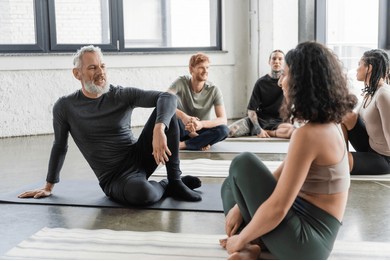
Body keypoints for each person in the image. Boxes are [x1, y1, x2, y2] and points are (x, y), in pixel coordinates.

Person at [219, 41, 357, 260]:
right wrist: (239, 205)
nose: (281, 82)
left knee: (242, 163)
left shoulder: (308, 135)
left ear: (302, 83)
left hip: (307, 243)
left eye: (286, 75)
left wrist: (241, 238)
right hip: (303, 230)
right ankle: (258, 242)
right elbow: (280, 174)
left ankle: (252, 244)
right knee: (230, 185)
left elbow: (278, 207)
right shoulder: (329, 124)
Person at [18, 45, 202, 205]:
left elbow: (168, 96)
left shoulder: (119, 94)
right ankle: (165, 185)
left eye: (102, 66)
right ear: (77, 74)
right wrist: (49, 186)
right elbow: (59, 146)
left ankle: (175, 181)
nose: (100, 72)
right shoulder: (65, 107)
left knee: (166, 113)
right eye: (92, 67)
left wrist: (159, 127)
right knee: (143, 194)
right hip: (115, 177)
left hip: (140, 156)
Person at [341, 49, 390, 175]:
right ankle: (340, 153)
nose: (357, 69)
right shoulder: (371, 91)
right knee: (346, 115)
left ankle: (341, 160)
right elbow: (352, 118)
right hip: (369, 146)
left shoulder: (383, 94)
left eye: (359, 64)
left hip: (384, 159)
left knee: (333, 163)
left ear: (369, 68)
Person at [167, 53, 229, 151]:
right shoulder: (181, 82)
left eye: (207, 68)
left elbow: (223, 119)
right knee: (171, 117)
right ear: (191, 69)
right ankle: (199, 142)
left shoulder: (214, 90)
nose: (205, 71)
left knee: (224, 130)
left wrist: (201, 124)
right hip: (182, 128)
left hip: (200, 130)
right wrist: (184, 117)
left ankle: (183, 145)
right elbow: (164, 100)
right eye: (201, 68)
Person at [228, 50, 295, 138]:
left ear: (284, 63)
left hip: (278, 121)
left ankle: (269, 132)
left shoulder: (289, 83)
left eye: (280, 59)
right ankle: (257, 131)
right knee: (229, 131)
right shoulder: (261, 82)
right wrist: (258, 129)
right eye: (274, 58)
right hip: (260, 119)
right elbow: (251, 110)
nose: (277, 61)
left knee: (292, 132)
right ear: (269, 62)